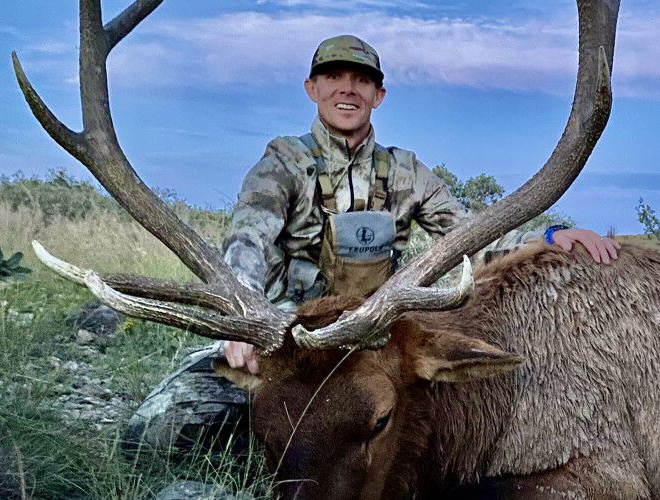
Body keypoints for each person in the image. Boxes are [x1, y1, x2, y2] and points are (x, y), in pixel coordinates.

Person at [122, 35, 620, 456]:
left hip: (371, 348)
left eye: (361, 80)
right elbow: (246, 241)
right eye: (335, 77)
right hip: (287, 346)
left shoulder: (405, 171)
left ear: (378, 95)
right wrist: (242, 323)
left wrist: (550, 238)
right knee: (150, 438)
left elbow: (472, 237)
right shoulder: (283, 162)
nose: (347, 89)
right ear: (312, 89)